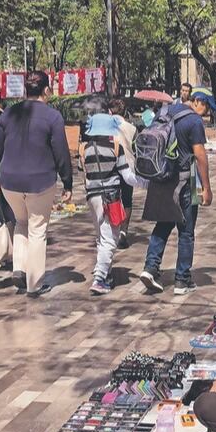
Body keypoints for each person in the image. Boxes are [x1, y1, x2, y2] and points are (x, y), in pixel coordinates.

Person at [0, 71, 73, 297]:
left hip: (10, 181)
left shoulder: (8, 114)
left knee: (20, 223)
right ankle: (35, 284)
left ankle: (19, 268)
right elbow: (61, 152)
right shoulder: (53, 117)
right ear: (46, 90)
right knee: (37, 230)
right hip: (40, 181)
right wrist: (68, 182)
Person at [139, 88, 216, 296]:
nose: (207, 112)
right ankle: (182, 279)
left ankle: (150, 268)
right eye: (207, 106)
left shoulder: (165, 111)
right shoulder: (194, 121)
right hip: (184, 181)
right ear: (199, 101)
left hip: (161, 177)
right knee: (186, 230)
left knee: (163, 223)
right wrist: (207, 188)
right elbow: (200, 156)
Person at [80, 112, 144, 295]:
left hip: (92, 198)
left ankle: (106, 273)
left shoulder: (84, 148)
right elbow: (127, 177)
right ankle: (99, 278)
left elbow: (83, 171)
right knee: (111, 238)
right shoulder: (116, 147)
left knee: (101, 235)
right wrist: (145, 182)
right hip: (111, 197)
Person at [109, 98, 138, 249]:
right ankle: (124, 231)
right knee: (127, 199)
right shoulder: (131, 128)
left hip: (110, 166)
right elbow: (136, 149)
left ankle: (112, 230)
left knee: (112, 199)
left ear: (109, 111)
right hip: (128, 166)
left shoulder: (105, 126)